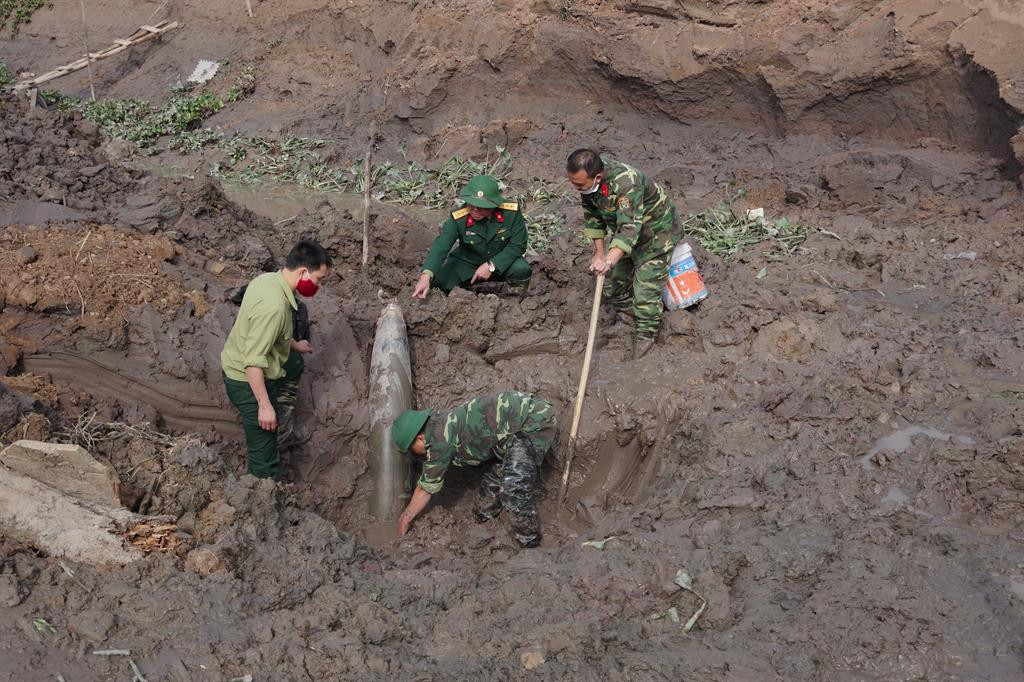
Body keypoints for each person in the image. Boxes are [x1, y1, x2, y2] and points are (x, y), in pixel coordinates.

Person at [220, 239, 331, 479]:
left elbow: (272, 330)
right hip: (244, 378)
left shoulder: (267, 280)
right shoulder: (275, 308)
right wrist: (264, 406)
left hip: (240, 355)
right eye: (318, 279)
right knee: (265, 458)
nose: (318, 285)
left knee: (295, 363)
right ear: (303, 271)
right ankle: (261, 490)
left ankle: (280, 403)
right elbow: (253, 361)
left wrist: (295, 345)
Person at [391, 391, 557, 548]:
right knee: (492, 486)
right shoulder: (439, 423)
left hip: (533, 422)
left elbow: (425, 489)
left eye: (413, 449)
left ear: (420, 438)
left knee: (513, 486)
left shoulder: (439, 440)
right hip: (508, 437)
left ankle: (529, 541)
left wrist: (405, 518)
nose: (418, 455)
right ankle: (483, 517)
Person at [565, 149, 684, 359]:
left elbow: (630, 229)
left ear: (597, 177)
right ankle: (628, 316)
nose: (575, 188)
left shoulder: (627, 183)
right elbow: (593, 218)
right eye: (573, 182)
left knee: (646, 294)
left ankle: (645, 337)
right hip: (626, 233)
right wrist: (599, 255)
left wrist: (609, 261)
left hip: (656, 234)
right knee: (611, 284)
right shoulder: (589, 187)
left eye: (579, 185)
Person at [412, 175, 531, 299]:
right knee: (438, 284)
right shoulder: (458, 217)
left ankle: (513, 300)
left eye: (481, 207)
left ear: (494, 204)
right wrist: (426, 276)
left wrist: (491, 266)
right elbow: (442, 245)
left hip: (502, 263)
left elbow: (518, 245)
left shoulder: (511, 212)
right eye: (471, 204)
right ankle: (468, 290)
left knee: (521, 269)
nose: (474, 210)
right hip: (468, 263)